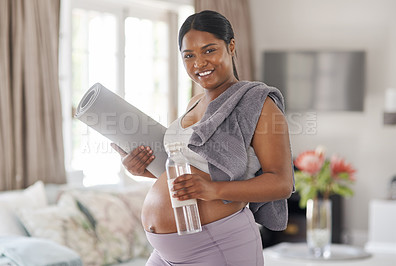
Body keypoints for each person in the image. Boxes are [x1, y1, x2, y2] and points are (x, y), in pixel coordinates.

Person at [111, 10, 294, 266]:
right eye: (189, 55)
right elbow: (194, 172)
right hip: (168, 252)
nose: (199, 63)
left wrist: (213, 189)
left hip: (219, 245)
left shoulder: (258, 103)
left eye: (209, 50)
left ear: (231, 46)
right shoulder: (193, 103)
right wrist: (146, 171)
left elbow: (282, 183)